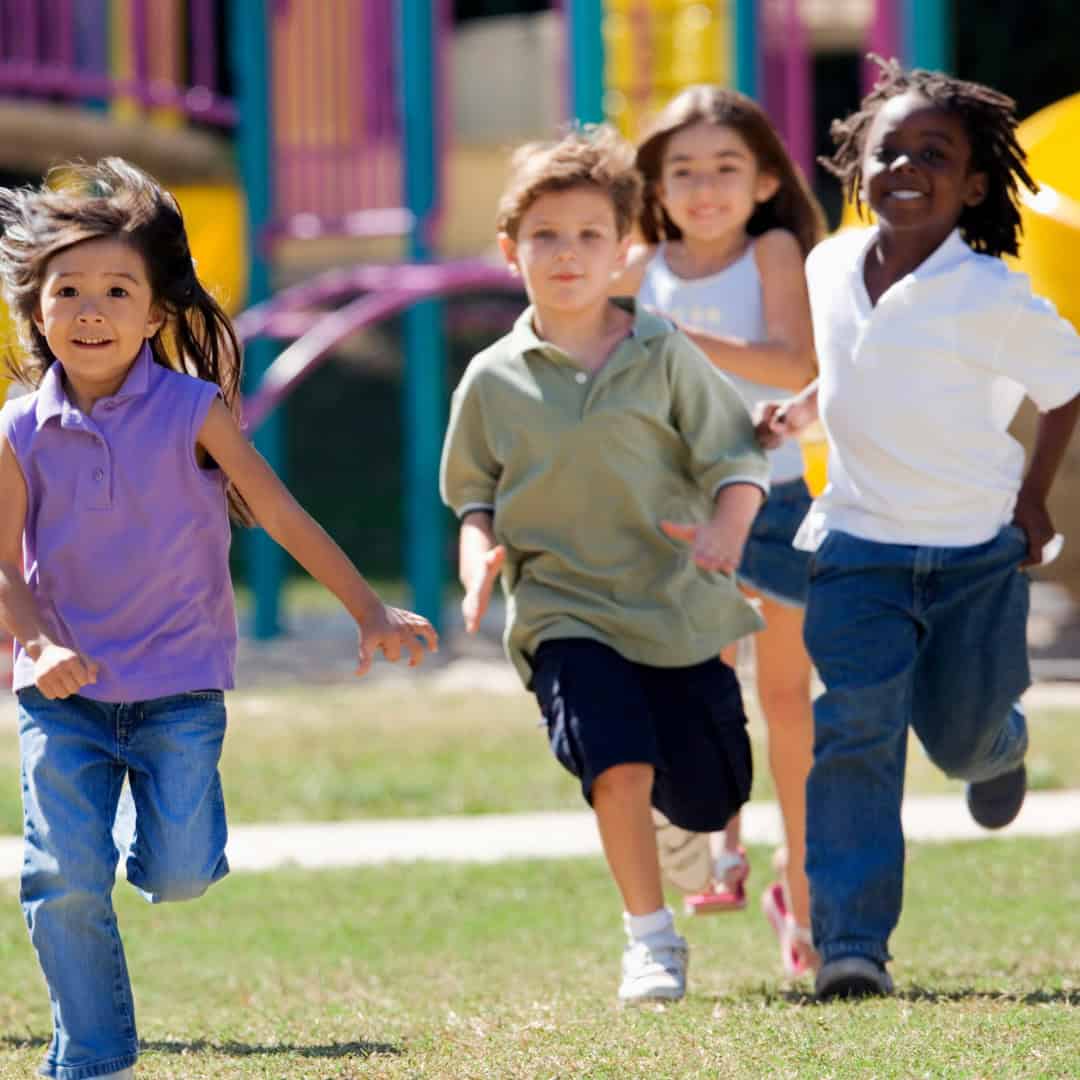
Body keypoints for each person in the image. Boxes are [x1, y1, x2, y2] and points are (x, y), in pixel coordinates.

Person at [0, 159, 438, 1080]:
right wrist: (38, 644)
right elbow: (4, 562)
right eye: (67, 290)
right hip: (62, 694)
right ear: (34, 309)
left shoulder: (193, 411)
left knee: (180, 873)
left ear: (156, 313)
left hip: (178, 690)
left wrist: (367, 610)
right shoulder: (18, 430)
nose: (90, 310)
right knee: (60, 877)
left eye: (117, 291)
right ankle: (93, 1058)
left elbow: (279, 513)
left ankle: (163, 847)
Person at [757, 59, 1080, 1000]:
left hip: (974, 557)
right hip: (857, 548)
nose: (905, 167)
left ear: (975, 185)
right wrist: (806, 409)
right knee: (855, 729)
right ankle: (851, 946)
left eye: (934, 154)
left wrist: (1034, 499)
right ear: (857, 166)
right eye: (887, 151)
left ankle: (999, 750)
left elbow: (1066, 387)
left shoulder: (993, 295)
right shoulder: (827, 266)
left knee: (960, 740)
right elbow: (861, 360)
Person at [440, 126, 770, 1005]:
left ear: (624, 251)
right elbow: (472, 497)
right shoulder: (491, 379)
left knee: (711, 794)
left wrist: (728, 529)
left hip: (676, 605)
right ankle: (650, 941)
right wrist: (477, 562)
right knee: (614, 764)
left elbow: (736, 458)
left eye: (590, 235)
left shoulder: (665, 353)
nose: (568, 253)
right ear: (510, 250)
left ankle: (685, 825)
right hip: (563, 608)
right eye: (546, 235)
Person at [612, 85, 825, 977]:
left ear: (766, 180)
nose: (705, 189)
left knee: (786, 702)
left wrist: (679, 338)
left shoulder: (773, 250)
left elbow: (794, 362)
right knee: (699, 693)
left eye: (726, 168)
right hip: (676, 514)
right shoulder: (635, 266)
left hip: (774, 507)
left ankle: (803, 894)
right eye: (684, 172)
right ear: (655, 188)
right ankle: (717, 848)